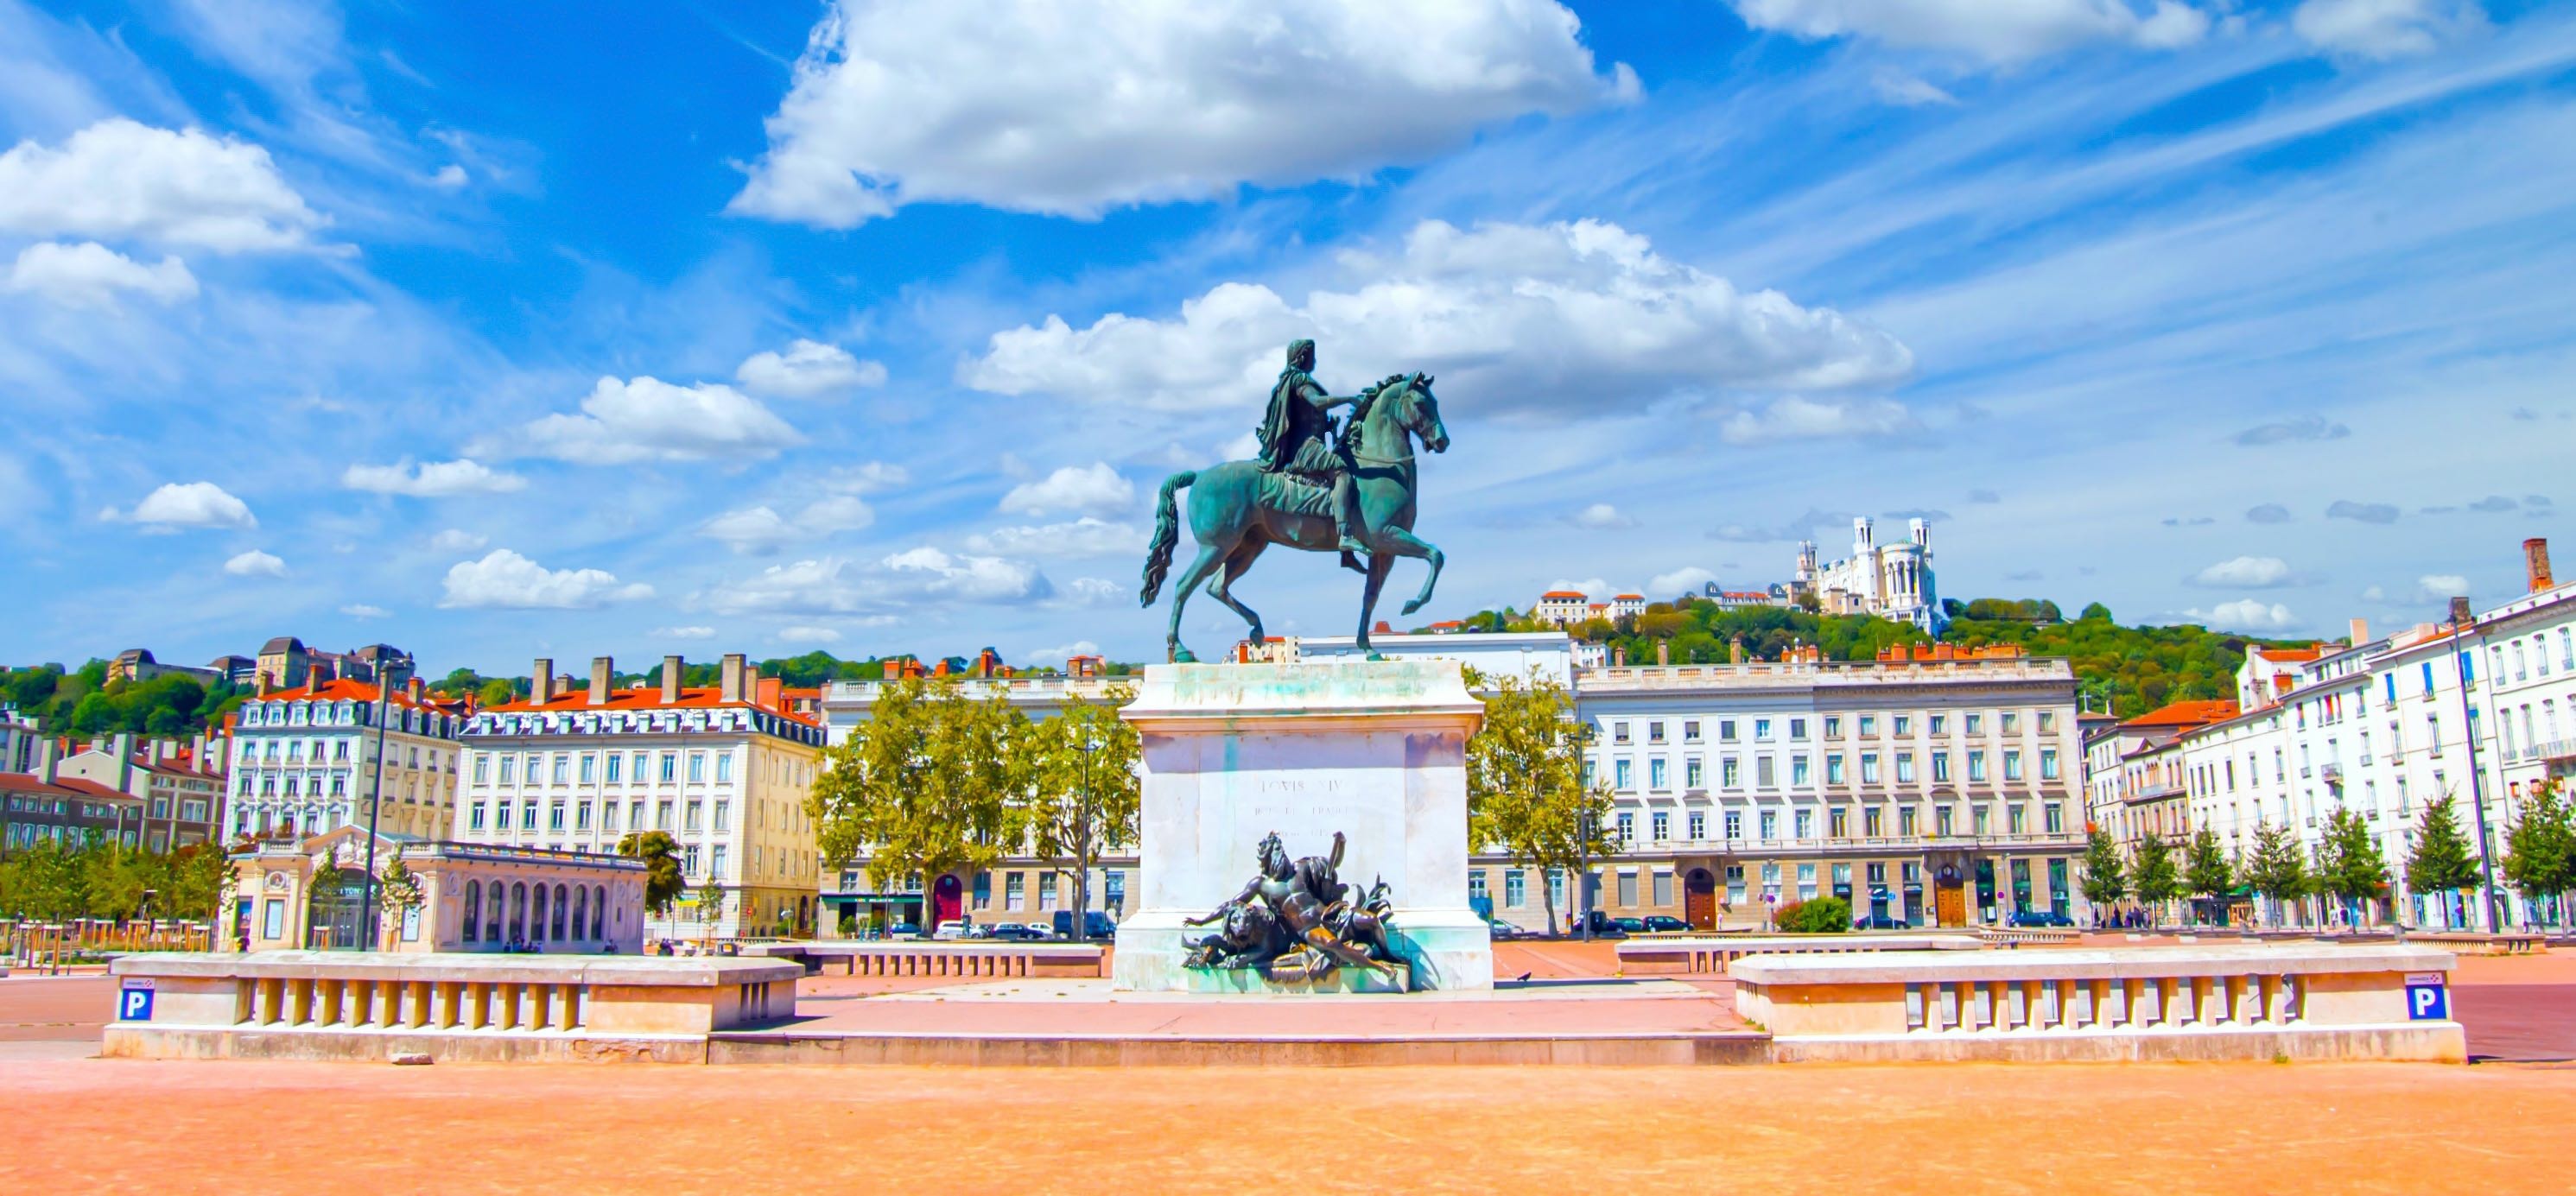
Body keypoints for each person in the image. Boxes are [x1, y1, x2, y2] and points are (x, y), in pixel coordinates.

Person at [1255, 339, 1370, 572]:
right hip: (1305, 448)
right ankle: (1346, 535)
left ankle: (1346, 555)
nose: (1315, 361)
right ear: (1303, 357)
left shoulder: (1288, 381)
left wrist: (1327, 427)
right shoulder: (1299, 379)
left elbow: (1304, 418)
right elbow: (1317, 403)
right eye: (1312, 356)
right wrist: (1347, 399)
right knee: (1343, 473)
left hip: (1308, 441)